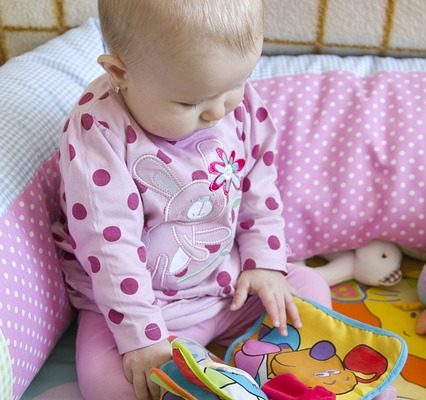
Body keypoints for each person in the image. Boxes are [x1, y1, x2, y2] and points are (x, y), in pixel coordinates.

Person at [53, 1, 333, 399]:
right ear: (120, 74)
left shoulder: (239, 106)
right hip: (138, 308)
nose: (220, 110)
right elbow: (108, 245)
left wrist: (264, 266)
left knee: (309, 293)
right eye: (191, 103)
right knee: (109, 386)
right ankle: (204, 377)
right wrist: (142, 338)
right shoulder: (98, 131)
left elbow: (260, 189)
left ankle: (263, 364)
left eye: (235, 85)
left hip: (229, 285)